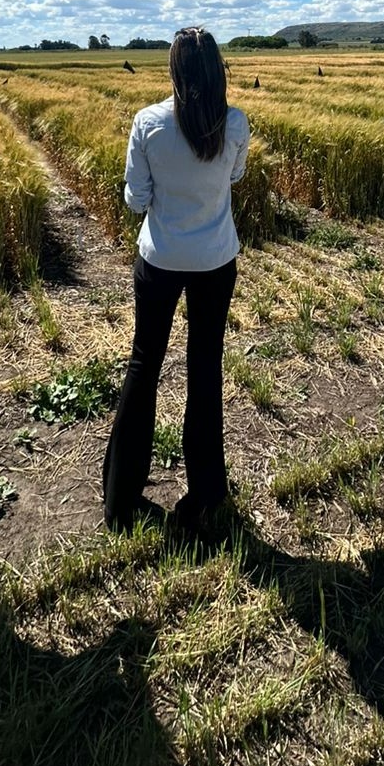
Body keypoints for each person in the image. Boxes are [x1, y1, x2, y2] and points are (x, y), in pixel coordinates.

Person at [103, 27, 250, 531]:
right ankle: (207, 494)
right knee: (205, 369)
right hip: (214, 260)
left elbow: (135, 199)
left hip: (160, 259)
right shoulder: (234, 122)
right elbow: (233, 178)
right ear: (217, 71)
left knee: (144, 366)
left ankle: (121, 498)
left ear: (174, 71)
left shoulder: (148, 123)